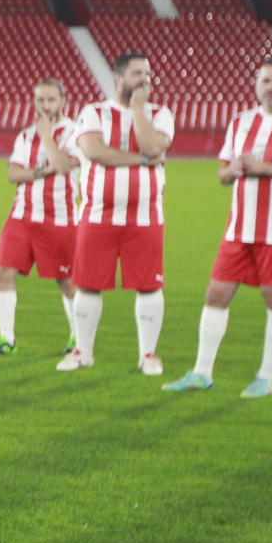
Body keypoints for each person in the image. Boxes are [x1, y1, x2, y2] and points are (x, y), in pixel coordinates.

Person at [164, 57, 272, 398]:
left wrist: (267, 168)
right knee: (216, 294)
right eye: (267, 81)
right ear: (257, 84)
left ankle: (266, 377)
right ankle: (201, 372)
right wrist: (232, 170)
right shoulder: (240, 122)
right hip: (238, 228)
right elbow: (220, 174)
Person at [60, 52, 174, 375]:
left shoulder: (160, 113)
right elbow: (95, 152)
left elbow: (154, 147)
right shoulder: (93, 112)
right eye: (137, 73)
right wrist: (139, 160)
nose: (145, 80)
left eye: (148, 74)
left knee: (149, 285)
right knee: (88, 284)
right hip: (97, 214)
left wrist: (138, 109)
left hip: (146, 215)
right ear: (119, 78)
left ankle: (148, 355)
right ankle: (83, 352)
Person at [0, 80, 81, 356]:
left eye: (51, 100)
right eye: (41, 101)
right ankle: (6, 339)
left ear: (63, 100)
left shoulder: (76, 133)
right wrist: (46, 168)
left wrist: (48, 137)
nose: (46, 106)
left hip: (60, 217)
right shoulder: (25, 136)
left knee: (66, 281)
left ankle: (78, 338)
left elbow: (65, 166)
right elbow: (13, 174)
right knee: (3, 271)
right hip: (22, 214)